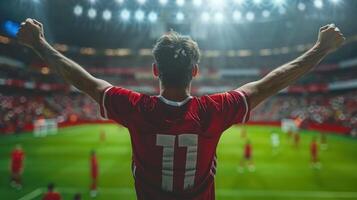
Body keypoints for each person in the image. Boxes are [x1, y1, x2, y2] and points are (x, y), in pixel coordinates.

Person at [17, 18, 345, 199]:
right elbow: (269, 83)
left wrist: (39, 44)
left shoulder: (136, 108)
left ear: (155, 71)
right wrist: (320, 49)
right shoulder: (212, 111)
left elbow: (86, 81)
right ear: (196, 72)